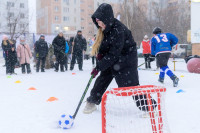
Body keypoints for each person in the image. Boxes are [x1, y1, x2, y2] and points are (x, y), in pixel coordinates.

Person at [83, 3, 147, 114]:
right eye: (97, 23)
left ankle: (149, 107)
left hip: (127, 58)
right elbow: (104, 49)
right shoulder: (105, 30)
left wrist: (99, 66)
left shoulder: (118, 30)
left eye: (101, 22)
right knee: (103, 78)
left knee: (130, 85)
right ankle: (92, 102)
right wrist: (100, 59)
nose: (99, 25)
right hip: (113, 58)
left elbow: (114, 53)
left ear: (106, 19)